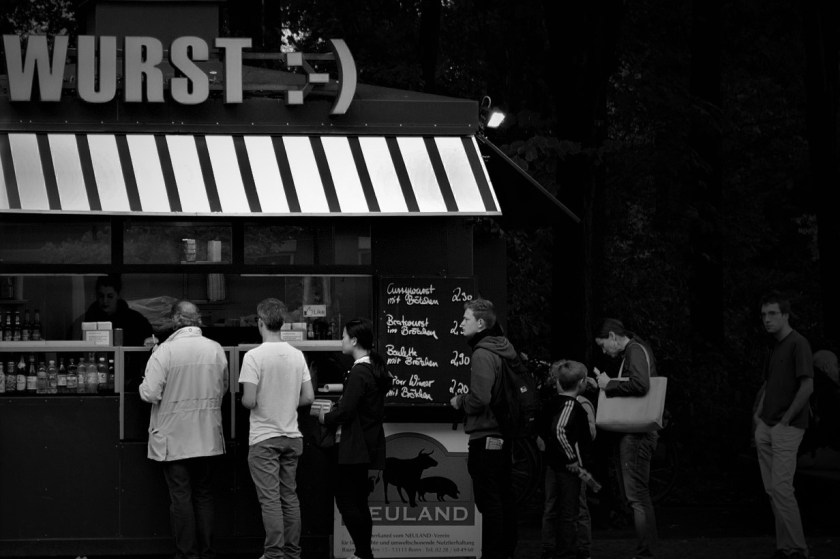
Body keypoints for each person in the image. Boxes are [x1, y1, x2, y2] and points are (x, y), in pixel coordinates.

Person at [139, 300, 229, 559]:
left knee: (181, 496)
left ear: (175, 319)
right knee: (204, 495)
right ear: (197, 319)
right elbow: (222, 388)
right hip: (207, 436)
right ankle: (207, 552)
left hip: (174, 438)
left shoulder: (165, 352)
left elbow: (150, 393)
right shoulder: (215, 349)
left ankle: (187, 554)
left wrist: (143, 380)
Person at [239, 298, 314, 559]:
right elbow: (309, 397)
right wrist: (286, 401)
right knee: (289, 497)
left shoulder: (253, 356)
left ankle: (273, 554)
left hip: (264, 438)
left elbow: (249, 401)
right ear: (282, 323)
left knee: (270, 499)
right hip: (292, 437)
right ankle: (292, 552)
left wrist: (254, 399)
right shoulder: (297, 355)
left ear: (260, 322)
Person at [449, 298, 518, 559]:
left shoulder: (482, 353)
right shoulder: (504, 348)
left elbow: (480, 398)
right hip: (503, 433)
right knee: (504, 497)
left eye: (465, 319)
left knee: (489, 503)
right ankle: (506, 551)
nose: (461, 323)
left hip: (485, 435)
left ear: (480, 324)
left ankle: (491, 554)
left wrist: (460, 401)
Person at [316, 318, 391, 559]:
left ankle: (363, 553)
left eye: (344, 336)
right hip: (367, 445)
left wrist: (325, 417)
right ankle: (363, 553)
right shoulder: (373, 369)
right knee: (359, 502)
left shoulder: (359, 371)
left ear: (355, 340)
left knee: (347, 501)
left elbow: (346, 411)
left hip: (352, 447)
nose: (341, 340)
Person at [753, 293, 813, 559]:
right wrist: (758, 415)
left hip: (787, 427)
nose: (767, 319)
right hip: (766, 425)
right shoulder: (775, 346)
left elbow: (807, 387)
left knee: (781, 489)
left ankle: (799, 549)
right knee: (773, 490)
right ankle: (785, 548)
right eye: (764, 315)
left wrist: (786, 420)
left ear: (786, 315)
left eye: (772, 314)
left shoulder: (799, 343)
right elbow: (768, 384)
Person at [594, 318, 658, 559]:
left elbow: (641, 385)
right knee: (638, 495)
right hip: (638, 433)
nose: (603, 351)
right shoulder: (636, 349)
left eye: (603, 345)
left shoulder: (634, 350)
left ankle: (646, 553)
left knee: (637, 497)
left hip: (637, 435)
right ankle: (646, 551)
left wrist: (609, 384)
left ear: (612, 337)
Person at [538, 360, 594, 559]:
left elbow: (541, 432)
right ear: (581, 383)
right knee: (571, 511)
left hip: (552, 464)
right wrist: (572, 458)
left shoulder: (550, 404)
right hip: (569, 468)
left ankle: (550, 547)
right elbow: (559, 430)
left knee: (552, 507)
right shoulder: (571, 405)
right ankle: (568, 551)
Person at [84, 275, 154, 346]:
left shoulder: (136, 321)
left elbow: (152, 344)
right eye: (101, 296)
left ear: (118, 295)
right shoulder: (91, 318)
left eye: (110, 296)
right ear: (97, 296)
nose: (105, 301)